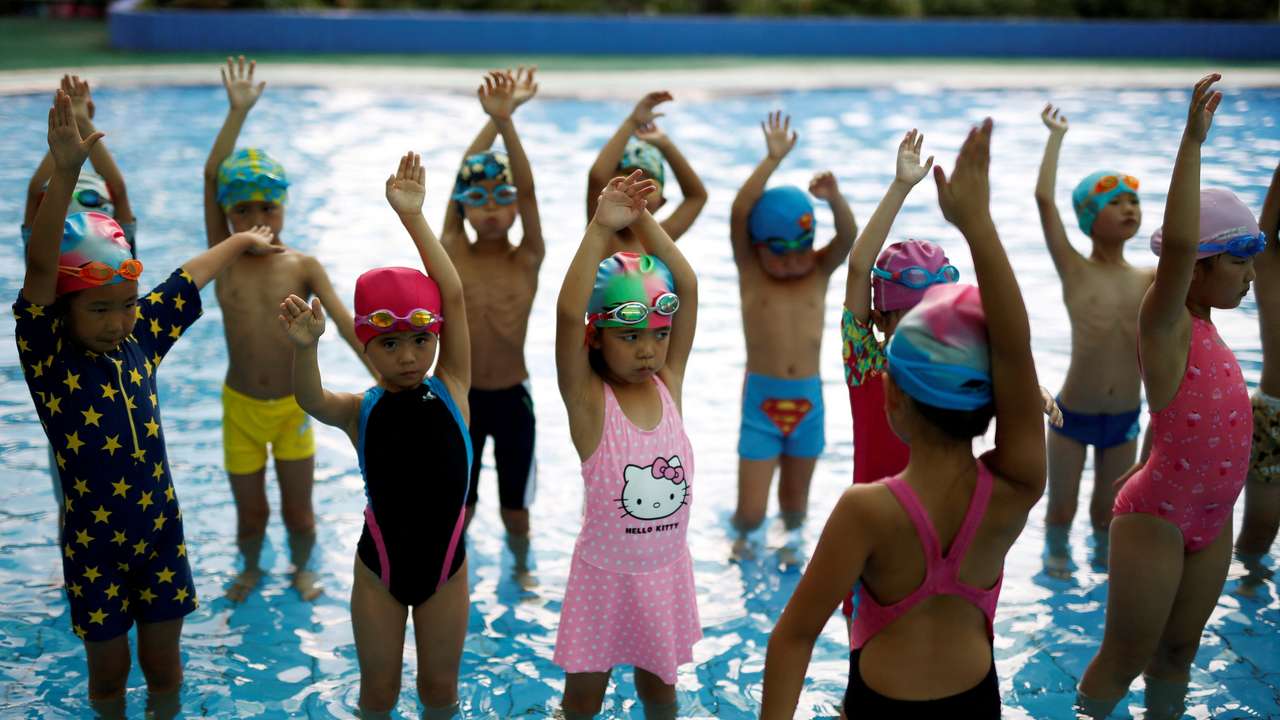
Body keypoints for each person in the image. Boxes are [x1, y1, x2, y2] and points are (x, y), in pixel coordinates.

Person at [760, 117, 1046, 719]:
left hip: (884, 539)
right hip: (898, 566)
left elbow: (790, 639)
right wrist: (907, 191)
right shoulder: (874, 366)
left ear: (894, 397)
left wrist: (1024, 385)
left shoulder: (862, 497)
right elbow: (862, 272)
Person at [15, 89, 281, 719]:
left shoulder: (140, 339)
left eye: (125, 305)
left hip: (161, 533)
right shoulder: (51, 361)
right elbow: (36, 267)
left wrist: (241, 241)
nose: (115, 321)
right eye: (99, 309)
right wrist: (67, 173)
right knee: (108, 679)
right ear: (64, 309)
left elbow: (188, 277)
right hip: (94, 546)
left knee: (165, 670)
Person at [1078, 74, 1262, 720]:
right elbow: (1179, 245)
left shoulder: (1207, 332)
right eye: (1238, 261)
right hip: (1158, 517)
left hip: (1214, 519)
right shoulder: (1167, 322)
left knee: (1179, 655)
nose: (1248, 276)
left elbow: (1179, 413)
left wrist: (1152, 447)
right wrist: (1191, 142)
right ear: (1201, 267)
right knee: (1125, 658)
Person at [281, 152, 471, 718]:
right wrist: (307, 348)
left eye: (420, 340)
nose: (409, 357)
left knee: (439, 693)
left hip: (446, 570)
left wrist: (413, 218)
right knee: (378, 695)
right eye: (390, 344)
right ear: (366, 345)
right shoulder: (360, 410)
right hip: (378, 571)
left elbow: (454, 295)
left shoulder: (454, 387)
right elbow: (310, 399)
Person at [204, 56, 373, 602]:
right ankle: (250, 569)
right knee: (251, 513)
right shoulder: (223, 257)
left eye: (268, 206)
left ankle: (302, 569)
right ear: (227, 214)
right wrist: (236, 114)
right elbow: (211, 178)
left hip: (293, 408)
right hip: (241, 408)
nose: (257, 217)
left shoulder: (302, 266)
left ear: (283, 207)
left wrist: (390, 380)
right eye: (243, 208)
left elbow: (348, 328)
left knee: (299, 511)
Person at [553, 171, 700, 720]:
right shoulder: (590, 405)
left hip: (665, 575)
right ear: (598, 337)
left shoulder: (670, 385)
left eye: (660, 333)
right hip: (603, 581)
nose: (648, 350)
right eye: (630, 335)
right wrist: (600, 227)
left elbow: (685, 284)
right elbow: (568, 315)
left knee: (661, 695)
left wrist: (643, 220)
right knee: (583, 702)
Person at [729, 111, 857, 555]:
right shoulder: (752, 273)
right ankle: (742, 543)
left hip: (809, 402)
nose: (791, 261)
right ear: (756, 247)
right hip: (760, 405)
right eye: (777, 252)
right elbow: (740, 211)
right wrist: (771, 160)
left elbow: (847, 237)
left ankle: (791, 548)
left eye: (799, 248)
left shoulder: (818, 272)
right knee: (749, 513)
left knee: (795, 506)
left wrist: (834, 198)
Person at [1035, 102, 1155, 574]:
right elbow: (1044, 202)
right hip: (1071, 414)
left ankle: (1105, 581)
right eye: (1115, 202)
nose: (1129, 208)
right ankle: (1056, 571)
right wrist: (1056, 137)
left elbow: (1189, 251)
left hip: (1125, 415)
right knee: (1060, 513)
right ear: (1089, 218)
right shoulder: (1075, 269)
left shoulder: (1149, 278)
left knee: (1108, 518)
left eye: (1135, 201)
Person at [22, 74, 136, 534]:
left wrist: (87, 128)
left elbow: (118, 188)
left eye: (91, 200)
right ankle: (71, 552)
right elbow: (36, 196)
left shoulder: (119, 255)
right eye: (66, 200)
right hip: (70, 407)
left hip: (122, 404)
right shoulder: (48, 261)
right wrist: (63, 159)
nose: (78, 207)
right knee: (71, 496)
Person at [441, 69, 542, 577]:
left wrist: (509, 127)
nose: (493, 210)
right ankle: (455, 573)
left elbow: (526, 187)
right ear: (463, 207)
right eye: (478, 200)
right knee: (461, 505)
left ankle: (521, 570)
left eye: (502, 199)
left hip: (512, 398)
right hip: (459, 397)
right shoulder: (453, 251)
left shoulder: (528, 257)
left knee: (516, 511)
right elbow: (466, 172)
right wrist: (492, 122)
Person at [585, 90, 707, 254]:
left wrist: (666, 145)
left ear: (662, 202)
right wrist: (632, 123)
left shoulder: (662, 237)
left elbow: (697, 197)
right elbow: (597, 177)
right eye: (628, 175)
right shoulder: (601, 231)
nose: (636, 184)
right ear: (606, 192)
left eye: (648, 180)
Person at [1235, 160, 1280, 592]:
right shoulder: (1269, 270)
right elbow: (1267, 230)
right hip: (1274, 419)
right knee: (1255, 539)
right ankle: (1246, 593)